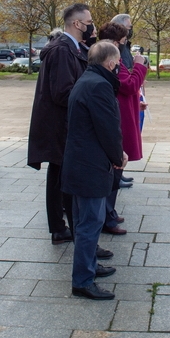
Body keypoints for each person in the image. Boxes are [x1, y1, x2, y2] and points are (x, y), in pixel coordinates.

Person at [61, 41, 127, 300]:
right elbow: (108, 128)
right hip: (90, 166)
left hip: (79, 163)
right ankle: (83, 281)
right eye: (118, 62)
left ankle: (89, 267)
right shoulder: (100, 86)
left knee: (82, 223)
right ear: (110, 63)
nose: (119, 67)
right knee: (90, 224)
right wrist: (118, 155)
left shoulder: (86, 79)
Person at [27, 3, 94, 245]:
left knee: (59, 177)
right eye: (89, 22)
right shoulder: (63, 50)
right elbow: (64, 93)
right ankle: (69, 231)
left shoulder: (70, 48)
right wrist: (91, 102)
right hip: (61, 127)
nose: (91, 27)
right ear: (77, 24)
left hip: (61, 126)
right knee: (63, 179)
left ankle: (60, 229)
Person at [97, 22, 147, 236]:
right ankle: (107, 217)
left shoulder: (113, 61)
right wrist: (139, 65)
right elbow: (128, 85)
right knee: (113, 174)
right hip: (119, 122)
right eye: (123, 43)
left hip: (122, 117)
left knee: (116, 174)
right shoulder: (111, 62)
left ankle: (110, 212)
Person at [111, 13, 140, 189]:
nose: (130, 31)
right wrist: (139, 67)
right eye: (128, 28)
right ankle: (116, 176)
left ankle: (119, 174)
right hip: (120, 101)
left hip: (127, 98)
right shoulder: (115, 50)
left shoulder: (125, 47)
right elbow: (125, 81)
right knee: (119, 139)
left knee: (124, 140)